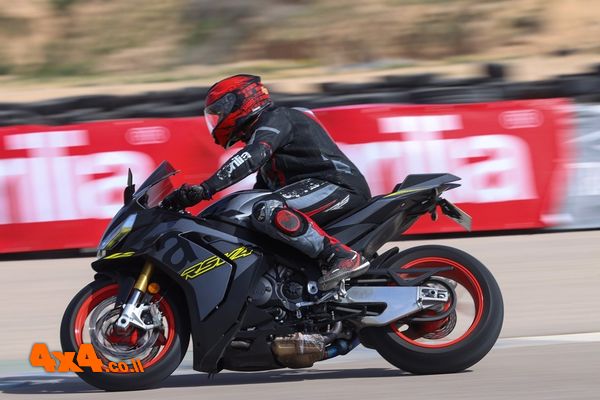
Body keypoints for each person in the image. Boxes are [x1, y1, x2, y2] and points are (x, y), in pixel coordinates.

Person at [161, 74, 372, 291]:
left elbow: (252, 156)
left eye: (221, 110)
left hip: (338, 186)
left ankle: (340, 256)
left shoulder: (278, 118)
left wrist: (205, 189)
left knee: (266, 209)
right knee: (248, 215)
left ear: (242, 100)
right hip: (317, 189)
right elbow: (257, 191)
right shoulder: (267, 143)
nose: (219, 118)